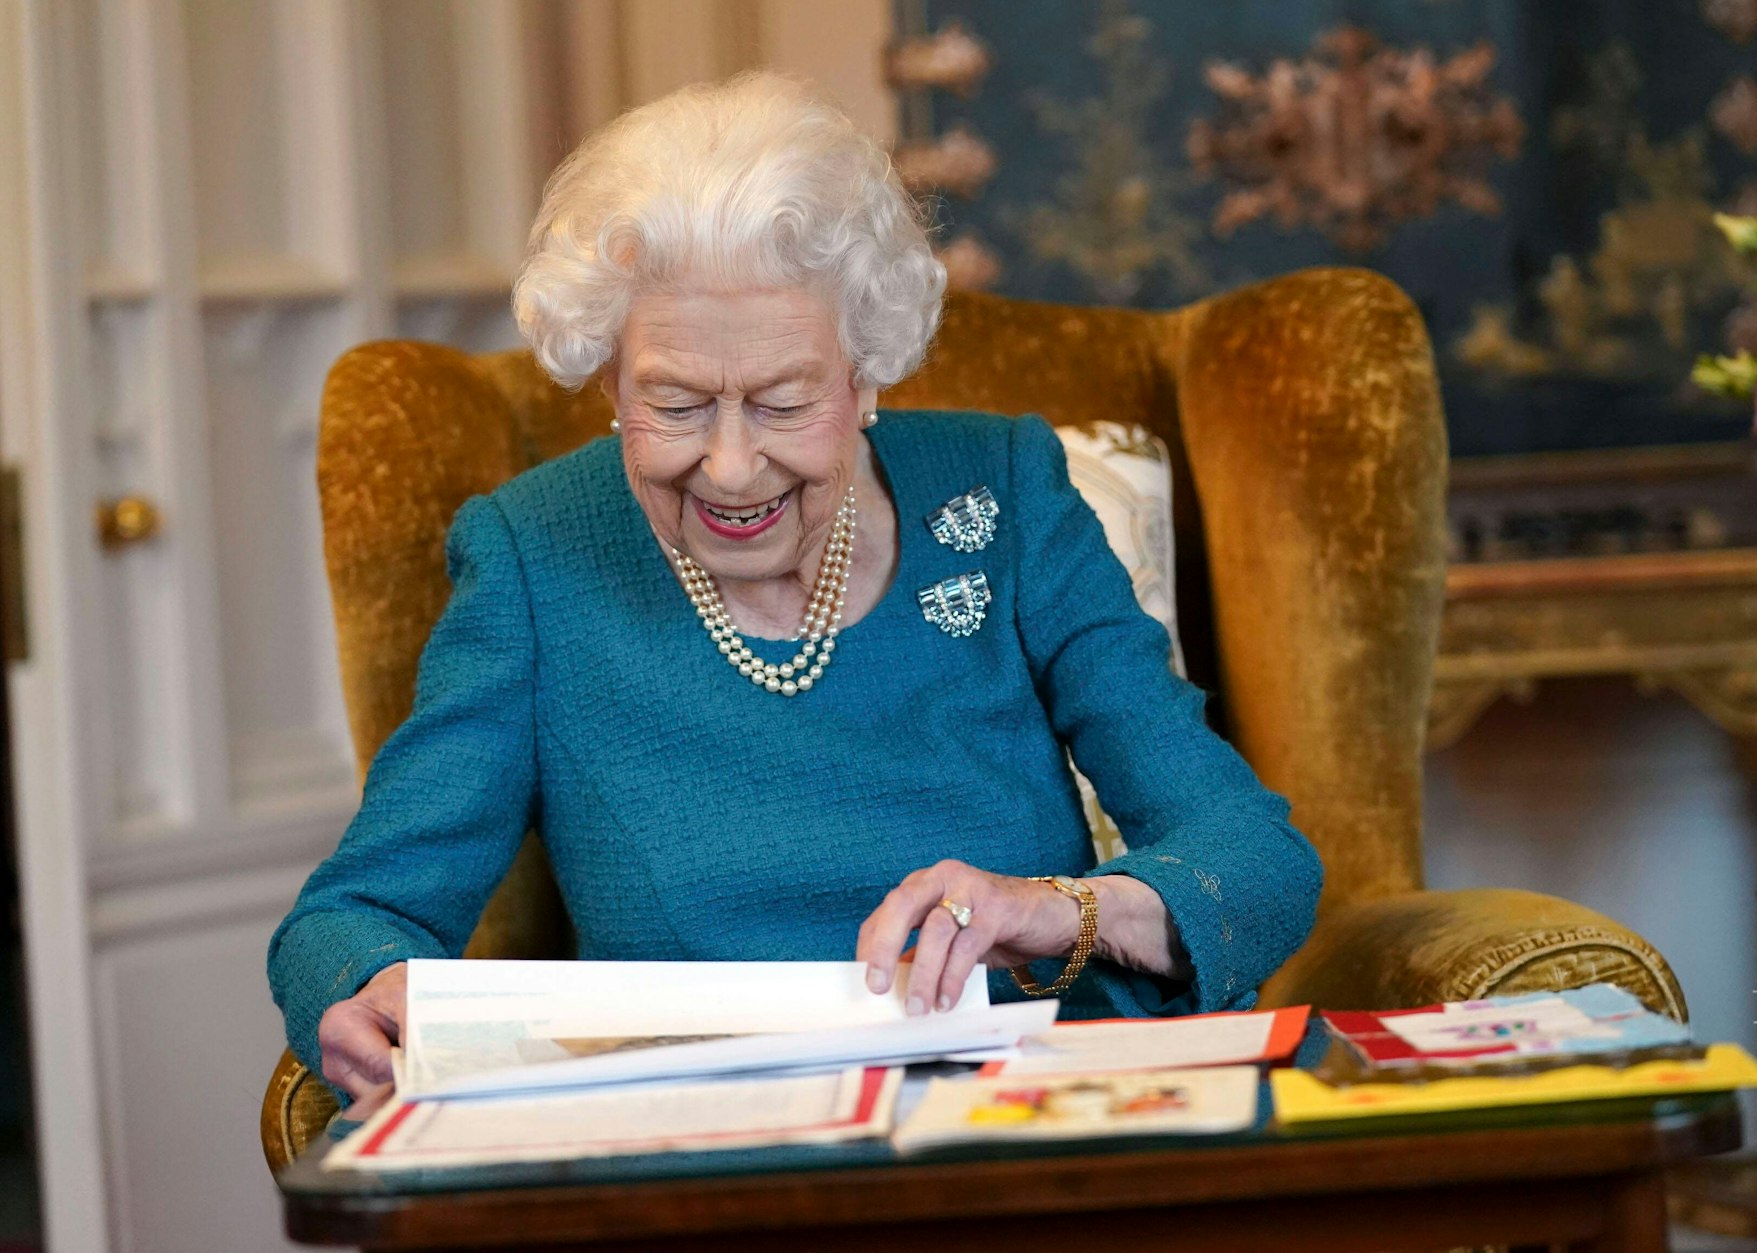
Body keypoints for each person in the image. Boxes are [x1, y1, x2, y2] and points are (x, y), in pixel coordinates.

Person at [268, 72, 1322, 1111]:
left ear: (865, 373)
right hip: (712, 1147)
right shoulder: (534, 554)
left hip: (1030, 1121)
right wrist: (370, 987)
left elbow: (1256, 860)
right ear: (610, 380)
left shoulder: (1002, 492)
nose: (731, 468)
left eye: (782, 402)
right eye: (675, 403)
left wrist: (1058, 910)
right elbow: (351, 915)